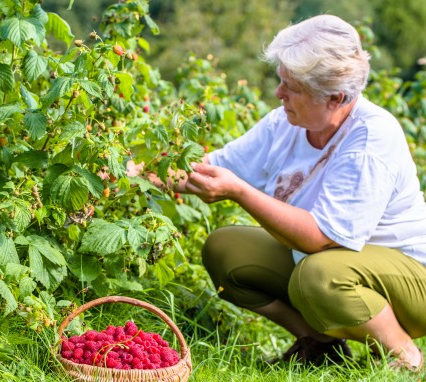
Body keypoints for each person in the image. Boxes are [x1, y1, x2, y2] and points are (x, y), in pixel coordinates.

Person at [129, 14, 426, 371]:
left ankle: (402, 353)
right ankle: (321, 345)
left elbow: (320, 238)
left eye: (292, 87)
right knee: (227, 249)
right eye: (281, 81)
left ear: (336, 97)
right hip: (336, 266)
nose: (278, 93)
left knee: (317, 275)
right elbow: (213, 167)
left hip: (411, 280)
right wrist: (131, 173)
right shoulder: (285, 124)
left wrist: (239, 192)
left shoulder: (371, 137)